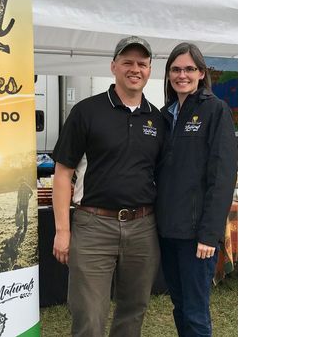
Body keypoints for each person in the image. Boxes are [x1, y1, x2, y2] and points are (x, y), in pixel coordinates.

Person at [51, 36, 164, 337]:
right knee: (88, 314)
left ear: (150, 70)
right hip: (93, 225)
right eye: (127, 62)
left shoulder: (158, 119)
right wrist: (63, 231)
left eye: (142, 63)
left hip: (143, 226)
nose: (135, 69)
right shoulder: (86, 112)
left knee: (133, 311)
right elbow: (62, 174)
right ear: (113, 66)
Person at [155, 42, 237, 337]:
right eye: (176, 69)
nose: (182, 75)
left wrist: (209, 234)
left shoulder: (215, 110)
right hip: (167, 232)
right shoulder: (165, 115)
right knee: (179, 305)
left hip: (196, 237)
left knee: (195, 312)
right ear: (168, 75)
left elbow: (223, 177)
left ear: (201, 73)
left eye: (189, 68)